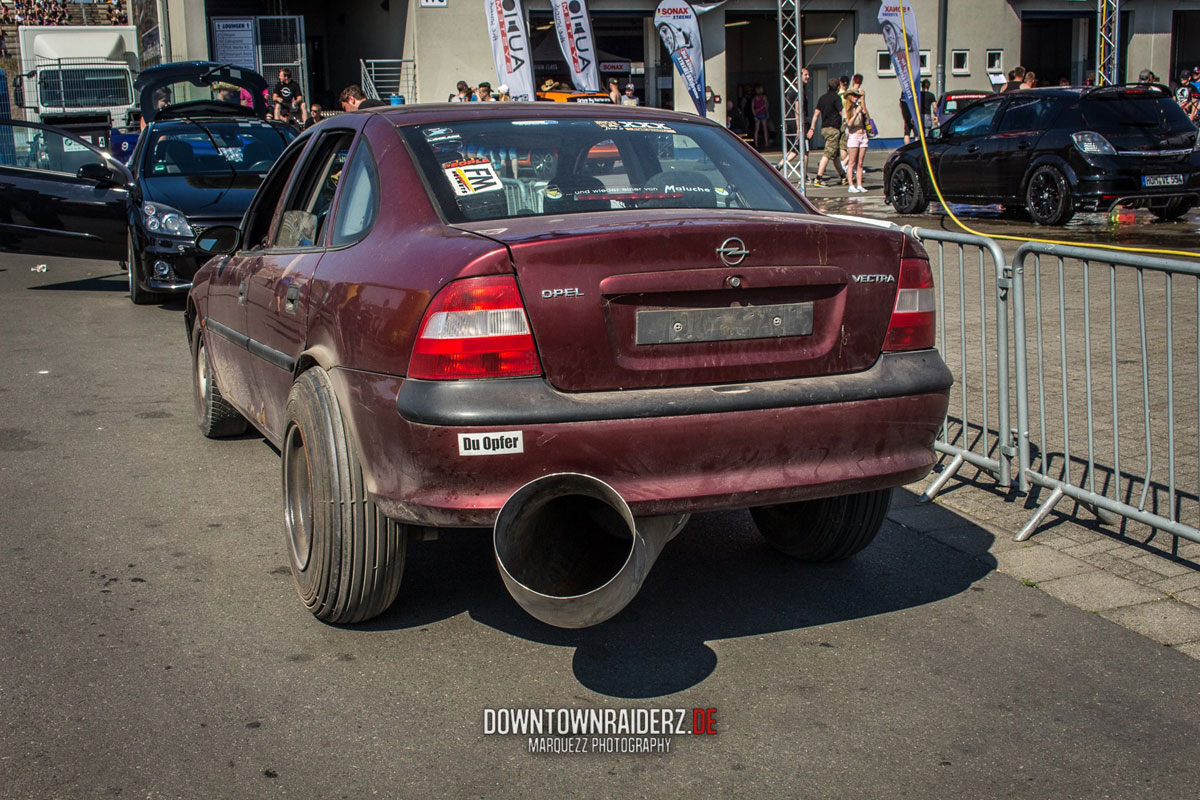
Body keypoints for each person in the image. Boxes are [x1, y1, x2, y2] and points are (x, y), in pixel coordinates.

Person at [807, 77, 847, 187]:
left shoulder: (822, 98)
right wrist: (847, 122)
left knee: (835, 155)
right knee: (828, 154)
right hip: (833, 130)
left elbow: (815, 115)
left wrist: (812, 128)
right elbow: (841, 113)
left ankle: (843, 177)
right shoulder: (837, 98)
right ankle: (818, 179)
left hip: (824, 129)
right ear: (838, 87)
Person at [777, 67, 809, 175]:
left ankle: (780, 165)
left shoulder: (792, 89)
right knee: (802, 150)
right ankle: (803, 175)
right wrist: (799, 128)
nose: (808, 77)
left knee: (798, 149)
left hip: (792, 122)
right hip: (797, 122)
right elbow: (798, 109)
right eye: (805, 75)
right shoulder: (797, 90)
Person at [842, 88, 870, 193]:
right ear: (850, 97)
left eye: (857, 96)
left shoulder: (859, 107)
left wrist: (863, 110)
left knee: (860, 162)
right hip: (854, 136)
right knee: (852, 162)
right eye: (854, 96)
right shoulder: (847, 110)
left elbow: (867, 120)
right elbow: (849, 124)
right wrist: (855, 114)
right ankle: (851, 185)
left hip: (863, 135)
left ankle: (859, 184)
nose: (856, 98)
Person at [751, 85, 769, 149]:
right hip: (763, 113)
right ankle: (766, 143)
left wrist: (754, 114)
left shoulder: (754, 98)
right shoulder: (764, 97)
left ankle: (756, 143)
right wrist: (767, 112)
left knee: (757, 129)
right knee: (764, 129)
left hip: (757, 114)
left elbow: (752, 107)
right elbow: (766, 105)